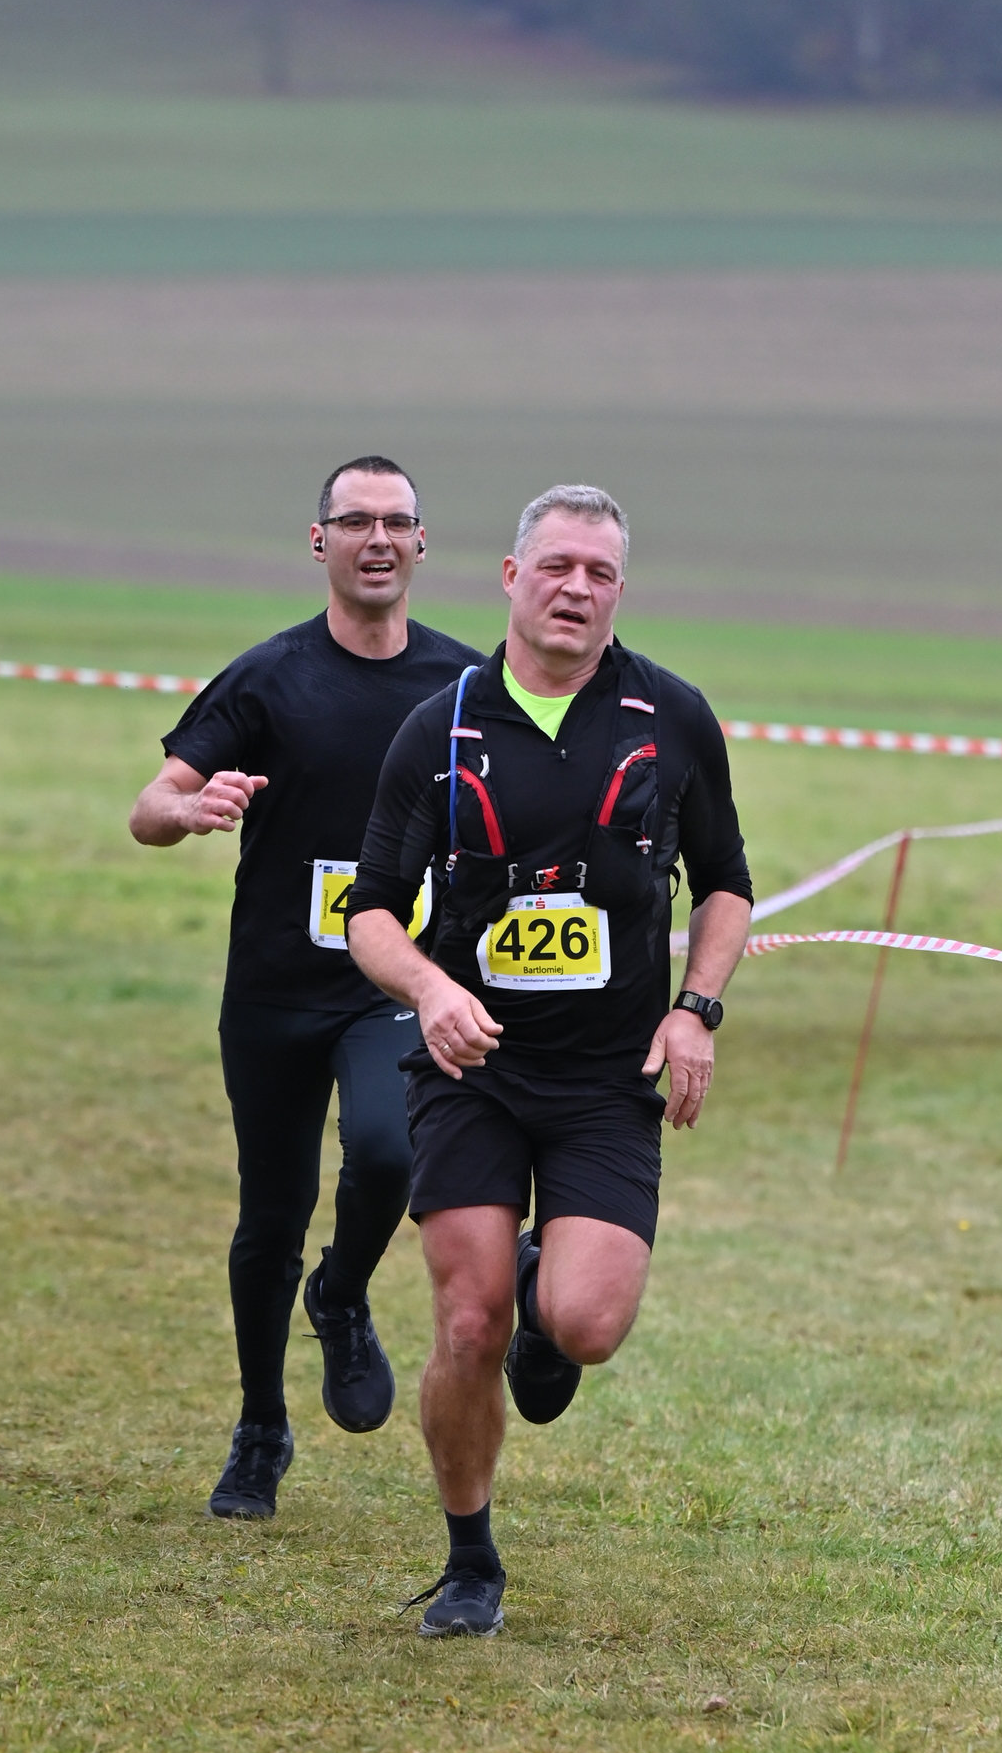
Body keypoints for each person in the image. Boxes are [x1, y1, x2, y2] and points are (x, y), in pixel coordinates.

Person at [345, 485, 753, 1634]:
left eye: (599, 573)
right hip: (470, 1070)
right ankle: (470, 1562)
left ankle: (542, 1288)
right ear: (511, 577)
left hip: (606, 1080)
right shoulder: (440, 728)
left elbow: (725, 883)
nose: (576, 589)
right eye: (557, 566)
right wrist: (429, 990)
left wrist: (694, 1010)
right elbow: (367, 912)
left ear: (619, 592)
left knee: (583, 1326)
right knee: (464, 1322)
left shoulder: (669, 719)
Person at [128, 457, 481, 1518]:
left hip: (394, 980)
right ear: (319, 541)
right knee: (268, 1214)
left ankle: (341, 1292)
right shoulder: (267, 678)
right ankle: (259, 1430)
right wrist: (189, 811)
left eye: (396, 522)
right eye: (355, 521)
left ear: (421, 543)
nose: (377, 539)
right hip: (277, 987)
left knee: (387, 1147)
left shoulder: (465, 687)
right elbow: (149, 806)